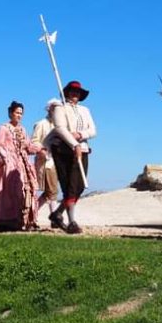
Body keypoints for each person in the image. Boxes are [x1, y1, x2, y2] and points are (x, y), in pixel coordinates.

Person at [0, 101, 41, 232]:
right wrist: (3, 156)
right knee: (3, 192)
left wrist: (39, 148)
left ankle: (16, 221)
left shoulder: (22, 129)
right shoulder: (3, 128)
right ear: (10, 113)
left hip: (20, 163)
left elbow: (28, 146)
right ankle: (0, 221)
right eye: (16, 112)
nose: (19, 115)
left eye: (21, 113)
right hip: (6, 162)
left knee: (20, 191)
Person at [48, 81, 97, 234]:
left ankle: (57, 213)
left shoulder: (85, 110)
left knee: (80, 185)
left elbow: (93, 129)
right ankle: (72, 221)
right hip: (64, 150)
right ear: (67, 92)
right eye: (72, 91)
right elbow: (60, 128)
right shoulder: (59, 107)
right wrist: (73, 142)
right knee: (70, 185)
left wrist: (81, 135)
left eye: (78, 92)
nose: (75, 94)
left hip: (82, 149)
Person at [31, 98, 64, 227]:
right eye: (54, 108)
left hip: (56, 162)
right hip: (46, 162)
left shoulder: (60, 126)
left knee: (49, 193)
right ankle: (54, 219)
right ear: (49, 109)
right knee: (52, 192)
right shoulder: (41, 124)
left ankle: (32, 215)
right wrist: (42, 151)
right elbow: (34, 141)